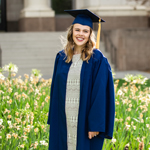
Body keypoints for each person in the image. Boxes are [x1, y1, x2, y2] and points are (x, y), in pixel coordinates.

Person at [47, 9, 115, 150]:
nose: (81, 34)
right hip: (63, 118)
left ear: (90, 34)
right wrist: (54, 119)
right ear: (72, 32)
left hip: (84, 121)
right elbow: (55, 90)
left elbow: (100, 93)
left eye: (85, 31)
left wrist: (95, 124)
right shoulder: (61, 57)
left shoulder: (97, 59)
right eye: (77, 30)